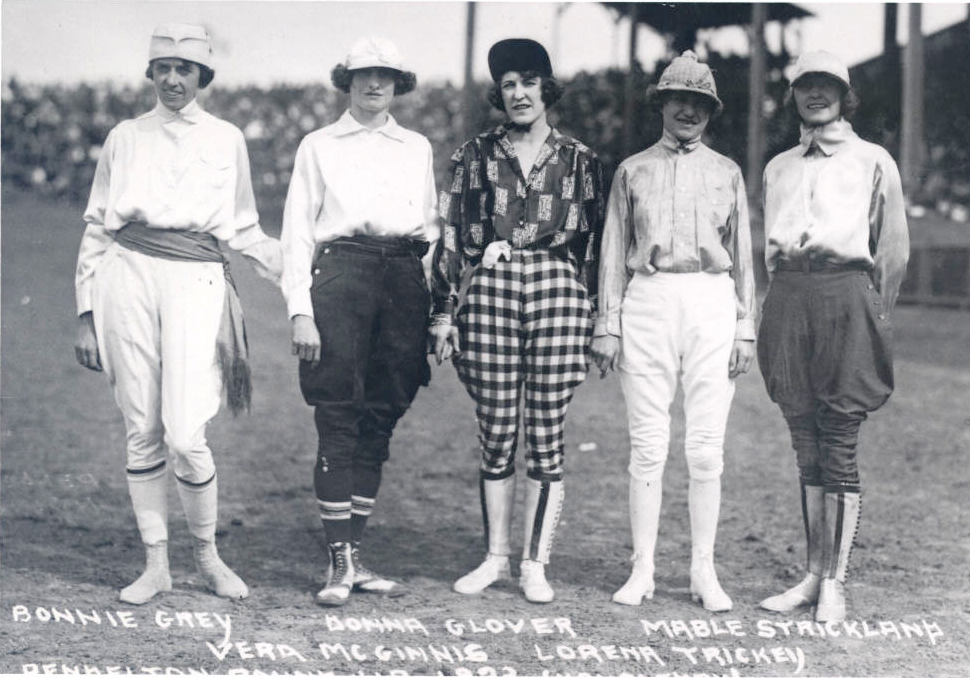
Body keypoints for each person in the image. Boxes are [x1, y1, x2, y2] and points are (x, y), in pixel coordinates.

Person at [74, 23, 282, 605]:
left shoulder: (226, 138)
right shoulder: (124, 137)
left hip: (197, 279)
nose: (172, 79)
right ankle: (156, 564)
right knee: (142, 428)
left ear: (202, 76)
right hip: (127, 277)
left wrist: (299, 276)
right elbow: (97, 227)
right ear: (150, 74)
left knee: (187, 434)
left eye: (183, 69)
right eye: (162, 68)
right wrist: (85, 313)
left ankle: (209, 556)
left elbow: (244, 226)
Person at [430, 38, 605, 604]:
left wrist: (602, 317)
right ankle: (495, 557)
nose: (519, 94)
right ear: (498, 94)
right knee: (497, 427)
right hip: (491, 288)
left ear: (546, 88)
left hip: (558, 290)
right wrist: (443, 312)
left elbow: (595, 247)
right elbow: (451, 235)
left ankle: (535, 564)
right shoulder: (474, 155)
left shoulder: (579, 159)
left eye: (528, 82)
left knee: (547, 432)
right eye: (508, 85)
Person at [591, 51, 756, 612]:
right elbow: (613, 250)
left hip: (711, 300)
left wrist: (745, 327)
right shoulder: (632, 170)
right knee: (648, 445)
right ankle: (643, 569)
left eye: (700, 102)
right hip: (649, 300)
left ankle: (703, 571)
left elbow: (742, 255)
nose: (689, 110)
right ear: (661, 103)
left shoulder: (727, 171)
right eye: (679, 99)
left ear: (711, 110)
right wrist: (608, 324)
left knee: (706, 448)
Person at [281, 36, 437, 607]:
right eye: (364, 74)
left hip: (403, 278)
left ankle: (355, 554)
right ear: (347, 81)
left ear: (399, 84)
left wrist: (433, 308)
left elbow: (431, 230)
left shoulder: (416, 146)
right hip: (342, 274)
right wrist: (301, 310)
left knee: (381, 414)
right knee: (338, 413)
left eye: (386, 76)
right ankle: (338, 562)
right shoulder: (319, 144)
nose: (375, 84)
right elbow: (297, 232)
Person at [756, 51, 909, 623]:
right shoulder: (778, 167)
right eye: (805, 85)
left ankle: (835, 583)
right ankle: (812, 574)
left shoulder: (873, 160)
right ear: (793, 94)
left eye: (827, 85)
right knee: (804, 439)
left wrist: (872, 312)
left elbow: (892, 251)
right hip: (790, 295)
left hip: (846, 292)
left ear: (845, 96)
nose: (816, 93)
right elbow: (771, 250)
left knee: (839, 437)